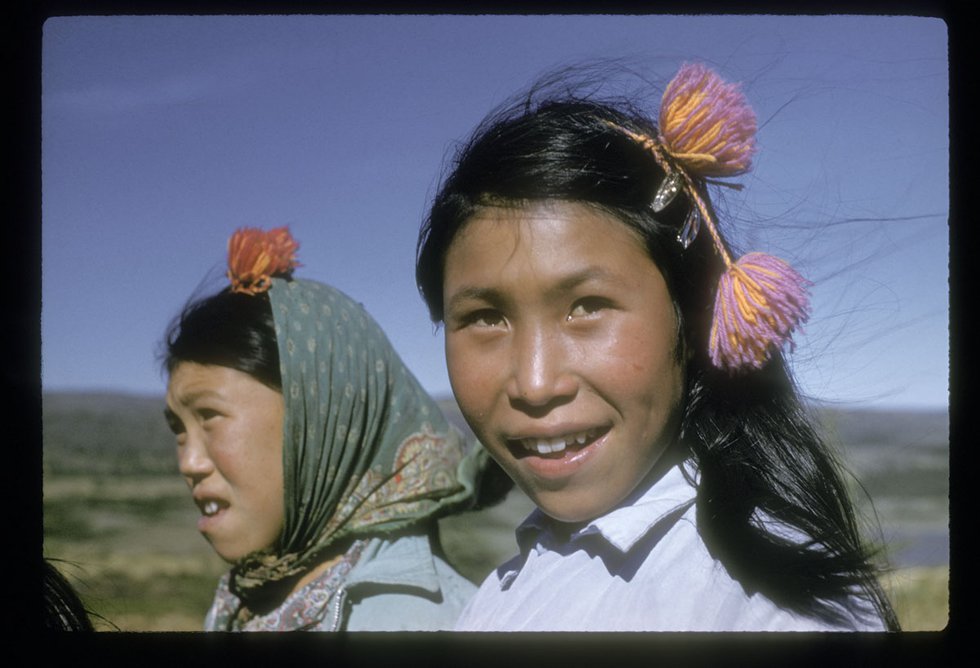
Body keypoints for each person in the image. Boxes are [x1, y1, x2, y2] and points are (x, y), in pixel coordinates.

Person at [415, 61, 900, 631]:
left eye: (587, 307)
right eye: (484, 317)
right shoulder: (504, 589)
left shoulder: (769, 609)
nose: (535, 383)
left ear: (693, 320)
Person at [161, 226, 495, 631]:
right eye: (179, 428)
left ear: (319, 423)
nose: (189, 462)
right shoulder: (249, 598)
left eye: (210, 417)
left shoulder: (417, 625)